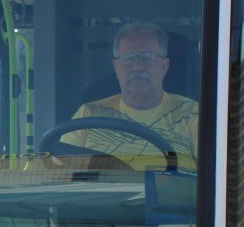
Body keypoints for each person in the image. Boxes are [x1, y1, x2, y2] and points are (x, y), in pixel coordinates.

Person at [71, 21, 198, 170]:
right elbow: (58, 174)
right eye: (128, 58)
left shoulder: (192, 115)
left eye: (147, 57)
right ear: (116, 67)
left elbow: (212, 178)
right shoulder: (88, 115)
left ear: (164, 66)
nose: (137, 67)